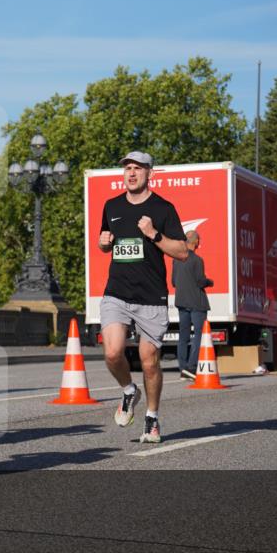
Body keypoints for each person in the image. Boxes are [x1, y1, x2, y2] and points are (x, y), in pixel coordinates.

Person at [98, 151, 188, 444]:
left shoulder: (163, 208)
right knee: (112, 353)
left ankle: (151, 417)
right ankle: (128, 390)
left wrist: (153, 235)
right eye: (127, 168)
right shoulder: (111, 206)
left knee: (149, 361)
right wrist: (102, 244)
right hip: (117, 292)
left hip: (151, 296)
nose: (131, 173)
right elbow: (107, 241)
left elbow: (183, 252)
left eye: (137, 168)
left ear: (150, 173)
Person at [171, 229, 213, 381]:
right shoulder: (197, 260)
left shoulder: (176, 259)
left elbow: (174, 282)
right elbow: (200, 281)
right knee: (199, 336)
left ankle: (182, 368)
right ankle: (191, 367)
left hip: (181, 302)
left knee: (183, 336)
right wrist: (209, 282)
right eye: (198, 240)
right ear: (195, 242)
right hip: (197, 303)